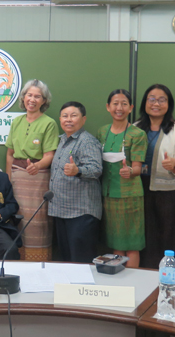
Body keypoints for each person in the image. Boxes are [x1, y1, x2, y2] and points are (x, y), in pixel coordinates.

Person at [135, 84, 175, 272]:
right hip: (139, 189)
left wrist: (174, 164)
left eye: (162, 99)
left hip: (169, 194)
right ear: (145, 103)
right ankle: (145, 277)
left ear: (169, 104)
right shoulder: (134, 128)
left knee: (170, 238)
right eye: (151, 98)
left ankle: (172, 278)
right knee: (145, 237)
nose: (156, 103)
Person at [5, 79, 59, 261]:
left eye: (37, 96)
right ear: (23, 97)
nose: (32, 99)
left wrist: (37, 166)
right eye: (29, 95)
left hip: (39, 179)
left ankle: (39, 263)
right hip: (17, 180)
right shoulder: (16, 122)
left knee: (37, 223)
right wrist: (8, 179)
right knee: (17, 219)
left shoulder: (49, 123)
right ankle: (18, 262)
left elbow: (50, 155)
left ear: (44, 101)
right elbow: (10, 154)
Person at [97, 89, 147, 268]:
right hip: (108, 194)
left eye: (124, 104)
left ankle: (133, 283)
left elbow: (138, 167)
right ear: (108, 107)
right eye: (115, 103)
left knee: (131, 243)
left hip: (130, 195)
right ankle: (118, 280)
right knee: (116, 242)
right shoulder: (102, 132)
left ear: (131, 108)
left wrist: (130, 171)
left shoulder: (137, 134)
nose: (119, 108)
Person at [49, 102, 102, 263]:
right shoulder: (62, 140)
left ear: (83, 119)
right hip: (62, 210)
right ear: (60, 119)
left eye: (74, 115)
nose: (68, 120)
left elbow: (96, 169)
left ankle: (83, 289)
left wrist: (77, 170)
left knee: (80, 261)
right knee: (66, 261)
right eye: (65, 116)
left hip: (81, 213)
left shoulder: (87, 141)